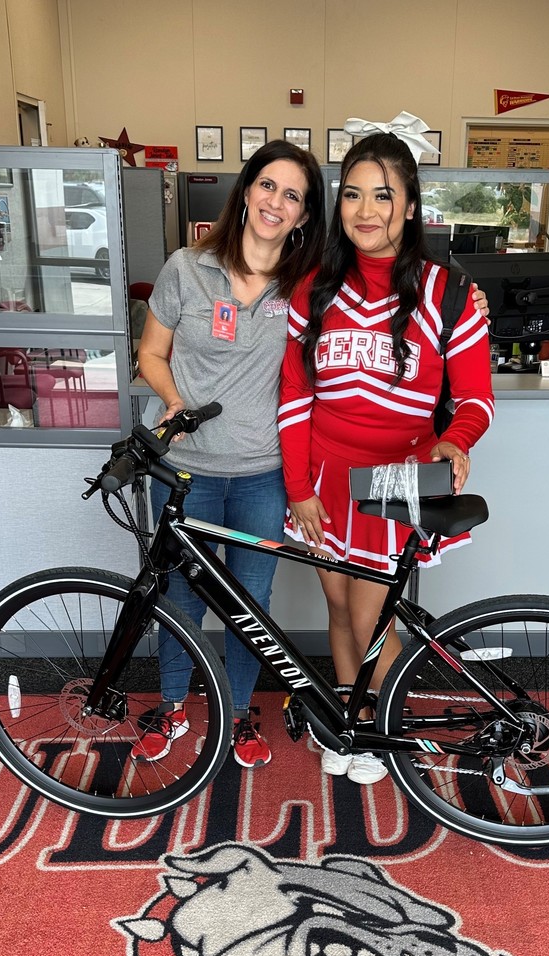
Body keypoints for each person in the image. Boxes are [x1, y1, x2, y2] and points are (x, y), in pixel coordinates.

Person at [278, 119, 495, 784]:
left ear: (409, 205)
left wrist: (453, 441)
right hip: (323, 481)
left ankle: (381, 729)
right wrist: (299, 489)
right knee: (338, 609)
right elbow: (294, 400)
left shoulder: (450, 295)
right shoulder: (313, 289)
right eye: (352, 194)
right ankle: (351, 723)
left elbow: (477, 401)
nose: (365, 210)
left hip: (395, 482)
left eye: (382, 195)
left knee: (374, 623)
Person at [135, 139, 327, 768]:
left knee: (251, 604)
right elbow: (151, 355)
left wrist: (470, 300)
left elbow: (389, 288)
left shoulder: (306, 288)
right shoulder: (186, 268)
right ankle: (172, 705)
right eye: (268, 186)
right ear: (246, 192)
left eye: (292, 196)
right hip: (182, 471)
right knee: (177, 595)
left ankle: (242, 713)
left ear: (302, 216)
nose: (277, 202)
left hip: (260, 475)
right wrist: (172, 402)